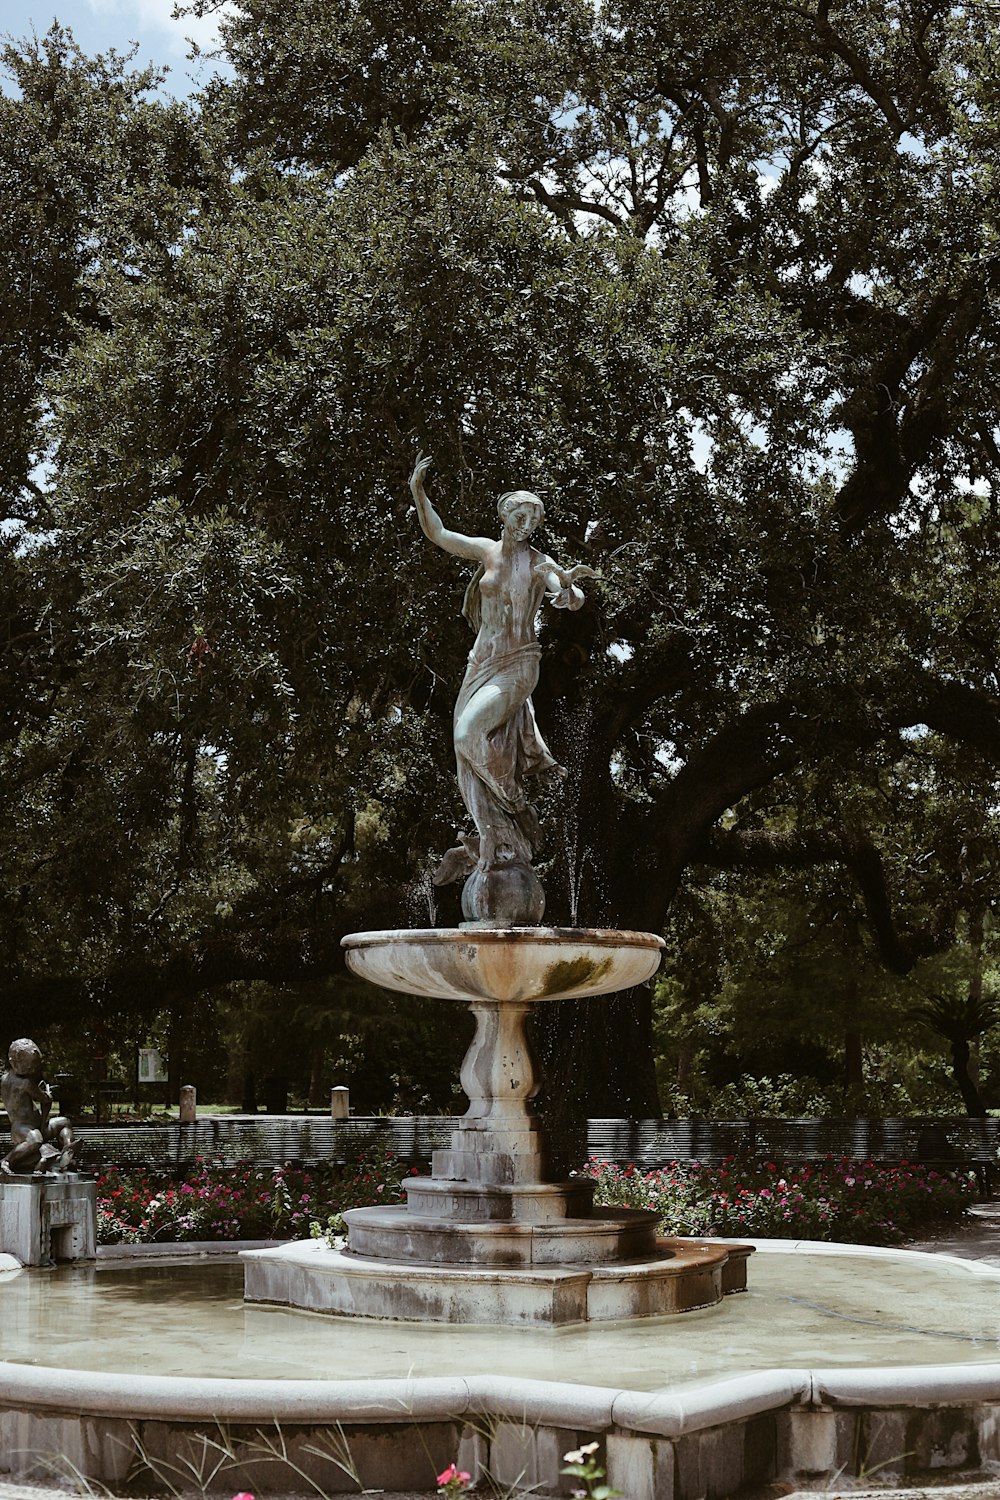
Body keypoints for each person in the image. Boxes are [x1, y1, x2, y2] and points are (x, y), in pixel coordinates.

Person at [409, 454, 596, 892]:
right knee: (465, 761)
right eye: (519, 513)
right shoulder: (487, 550)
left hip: (518, 663)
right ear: (504, 514)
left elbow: (572, 595)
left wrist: (567, 588)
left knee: (467, 736)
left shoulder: (538, 561)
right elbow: (438, 533)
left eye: (533, 518)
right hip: (481, 664)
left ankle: (516, 804)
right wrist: (418, 491)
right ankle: (491, 839)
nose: (525, 523)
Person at [1, 1038, 75, 1176]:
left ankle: (67, 1152)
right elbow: (44, 1099)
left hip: (38, 1126)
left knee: (64, 1122)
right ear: (18, 1063)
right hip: (22, 1129)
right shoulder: (25, 1083)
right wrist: (47, 1094)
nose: (33, 1069)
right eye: (30, 1066)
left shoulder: (4, 1080)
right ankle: (7, 1161)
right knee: (35, 1140)